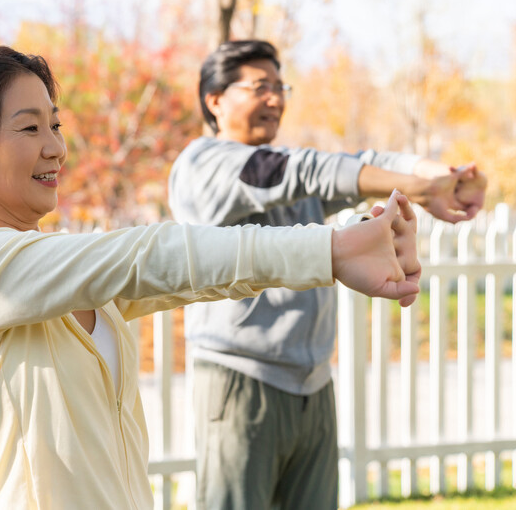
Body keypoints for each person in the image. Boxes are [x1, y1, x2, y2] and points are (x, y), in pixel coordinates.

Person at [0, 41, 423, 510]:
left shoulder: (55, 269)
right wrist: (331, 250)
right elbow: (152, 253)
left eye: (55, 125)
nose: (55, 148)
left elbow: (193, 274)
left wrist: (344, 241)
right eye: (29, 128)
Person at [167, 39, 488, 510]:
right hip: (241, 380)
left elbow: (355, 162)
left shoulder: (286, 170)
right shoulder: (204, 165)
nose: (276, 98)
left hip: (312, 384)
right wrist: (417, 186)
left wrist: (437, 174)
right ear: (215, 100)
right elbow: (308, 171)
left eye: (281, 86)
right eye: (260, 86)